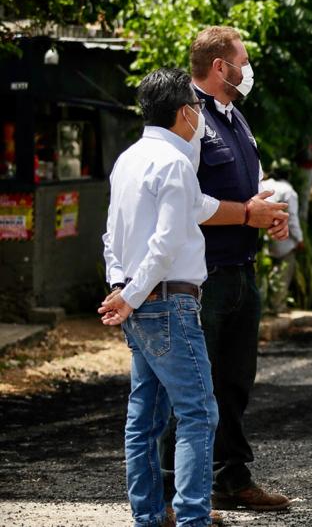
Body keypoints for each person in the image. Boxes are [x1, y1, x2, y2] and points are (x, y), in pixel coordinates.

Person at [160, 26, 292, 514]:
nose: (249, 68)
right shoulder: (186, 116)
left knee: (234, 383)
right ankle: (174, 495)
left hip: (241, 269)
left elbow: (241, 191)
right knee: (191, 387)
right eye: (245, 59)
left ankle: (230, 480)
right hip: (201, 276)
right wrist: (245, 213)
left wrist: (265, 213)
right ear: (221, 67)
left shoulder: (235, 117)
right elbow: (182, 200)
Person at [101, 68, 219, 527]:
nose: (200, 115)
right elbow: (167, 243)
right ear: (185, 112)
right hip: (168, 303)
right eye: (198, 106)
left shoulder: (128, 159)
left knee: (143, 420)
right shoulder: (173, 163)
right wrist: (129, 294)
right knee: (197, 414)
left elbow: (111, 235)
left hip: (140, 302)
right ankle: (192, 518)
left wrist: (120, 288)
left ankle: (148, 517)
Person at [259, 161, 305, 312]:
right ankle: (278, 306)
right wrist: (299, 239)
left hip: (262, 236)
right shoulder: (288, 190)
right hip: (283, 239)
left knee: (264, 273)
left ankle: (263, 306)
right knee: (284, 271)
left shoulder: (263, 185)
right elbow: (291, 218)